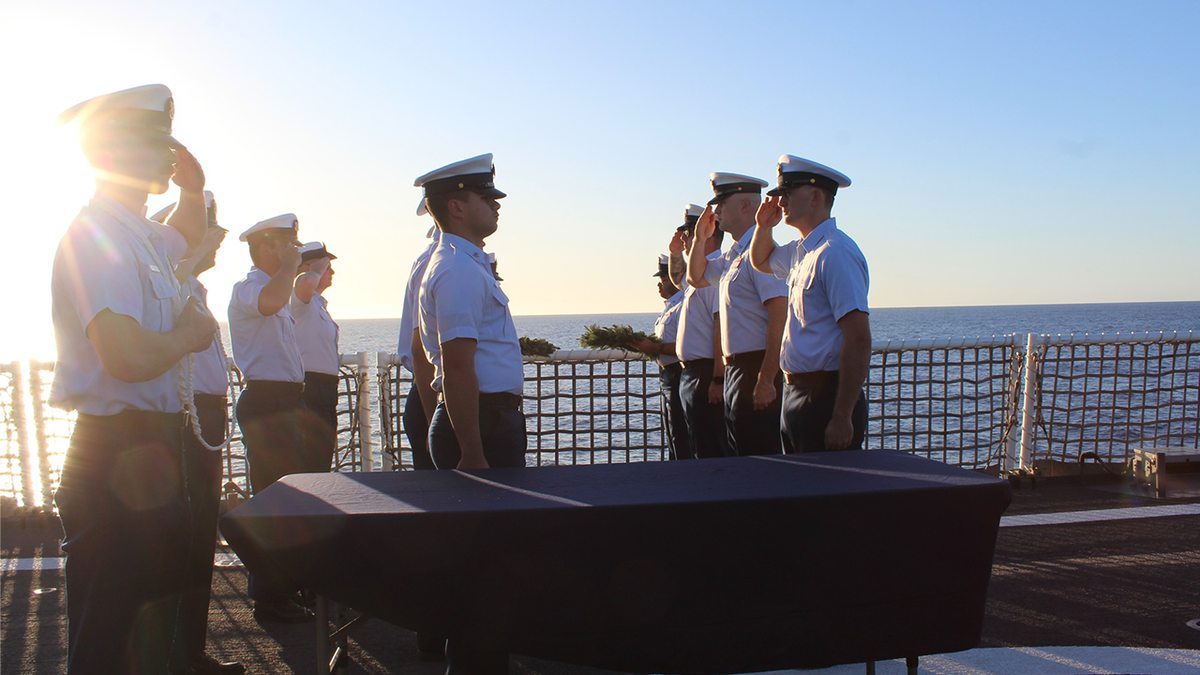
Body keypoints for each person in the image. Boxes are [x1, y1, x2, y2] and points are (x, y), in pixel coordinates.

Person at [51, 83, 218, 675]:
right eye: (155, 144)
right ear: (114, 153)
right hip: (113, 449)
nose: (169, 156)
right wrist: (188, 338)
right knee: (110, 637)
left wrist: (193, 189)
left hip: (150, 445)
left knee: (148, 633)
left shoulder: (140, 236)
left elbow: (188, 239)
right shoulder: (98, 238)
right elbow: (123, 355)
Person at [415, 153, 525, 675]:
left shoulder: (467, 263)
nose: (496, 206)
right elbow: (457, 368)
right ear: (457, 207)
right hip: (478, 426)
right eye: (487, 198)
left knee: (492, 563)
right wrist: (473, 454)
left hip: (488, 420)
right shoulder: (457, 269)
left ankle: (488, 663)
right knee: (480, 566)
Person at [148, 193, 245, 675]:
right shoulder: (168, 281)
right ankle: (174, 658)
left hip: (204, 417)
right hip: (185, 421)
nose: (218, 240)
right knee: (181, 547)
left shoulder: (192, 286)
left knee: (198, 543)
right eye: (210, 229)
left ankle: (187, 654)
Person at [750, 155, 871, 453]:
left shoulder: (835, 253)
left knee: (827, 495)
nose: (781, 203)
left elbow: (858, 338)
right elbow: (761, 260)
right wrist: (763, 227)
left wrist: (842, 416)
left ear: (816, 196)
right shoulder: (801, 253)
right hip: (796, 393)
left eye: (788, 194)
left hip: (825, 397)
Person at [228, 213, 314, 622]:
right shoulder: (251, 288)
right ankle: (270, 595)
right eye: (287, 244)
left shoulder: (271, 286)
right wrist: (290, 268)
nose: (295, 250)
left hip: (285, 402)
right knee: (273, 504)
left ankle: (288, 585)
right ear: (265, 248)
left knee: (289, 500)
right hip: (267, 403)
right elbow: (272, 302)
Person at [686, 172, 787, 456]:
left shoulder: (760, 255)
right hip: (736, 370)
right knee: (740, 453)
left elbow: (779, 314)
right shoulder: (735, 255)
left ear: (745, 206)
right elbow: (696, 277)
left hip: (755, 367)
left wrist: (766, 379)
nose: (716, 211)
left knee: (758, 457)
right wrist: (700, 238)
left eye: (721, 203)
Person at [675, 211, 730, 459]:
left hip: (706, 375)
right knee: (697, 445)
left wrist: (718, 380)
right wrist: (676, 253)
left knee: (710, 449)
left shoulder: (714, 275)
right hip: (693, 374)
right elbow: (679, 279)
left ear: (708, 234)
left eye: (689, 233)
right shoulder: (701, 274)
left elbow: (721, 327)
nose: (686, 239)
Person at [631, 254, 689, 459]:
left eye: (663, 280)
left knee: (680, 431)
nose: (659, 285)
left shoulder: (683, 305)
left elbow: (687, 345)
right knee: (671, 429)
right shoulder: (669, 307)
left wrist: (654, 347)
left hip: (678, 372)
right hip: (667, 375)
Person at [293, 241, 341, 473]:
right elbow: (301, 285)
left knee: (321, 462)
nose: (330, 272)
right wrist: (315, 270)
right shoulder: (299, 300)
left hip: (326, 391)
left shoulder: (318, 305)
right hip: (310, 390)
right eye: (326, 266)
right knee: (310, 464)